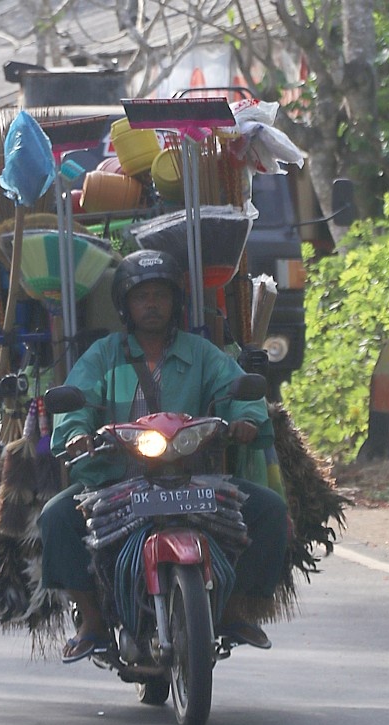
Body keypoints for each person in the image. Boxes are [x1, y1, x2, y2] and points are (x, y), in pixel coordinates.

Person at [39, 249, 289, 663]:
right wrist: (78, 433)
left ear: (176, 302)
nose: (151, 304)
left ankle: (232, 610)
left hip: (193, 476)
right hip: (115, 478)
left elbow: (237, 389)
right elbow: (75, 402)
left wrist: (244, 419)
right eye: (142, 297)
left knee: (270, 510)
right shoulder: (104, 355)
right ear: (125, 305)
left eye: (160, 295)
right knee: (56, 517)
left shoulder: (203, 353)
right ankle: (92, 622)